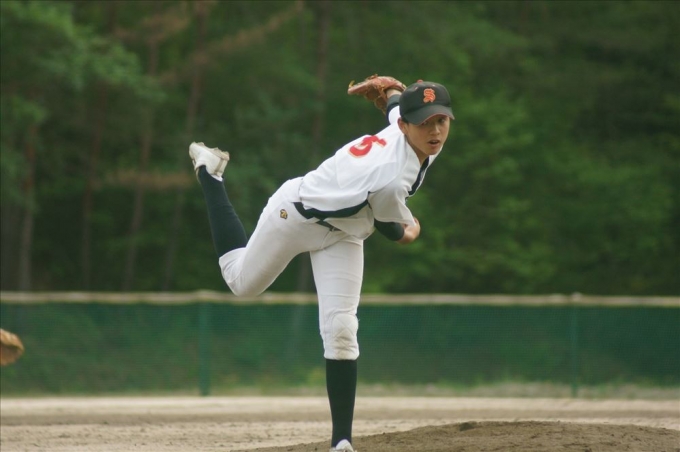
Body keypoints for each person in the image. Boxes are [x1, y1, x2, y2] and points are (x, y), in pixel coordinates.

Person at [189, 76, 454, 452]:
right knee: (240, 283)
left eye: (441, 120)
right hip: (296, 215)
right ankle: (211, 174)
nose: (435, 130)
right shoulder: (392, 176)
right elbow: (390, 227)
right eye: (425, 122)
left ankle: (341, 442)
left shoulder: (415, 134)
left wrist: (395, 93)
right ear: (406, 126)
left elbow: (396, 107)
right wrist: (409, 232)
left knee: (342, 329)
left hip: (344, 234)